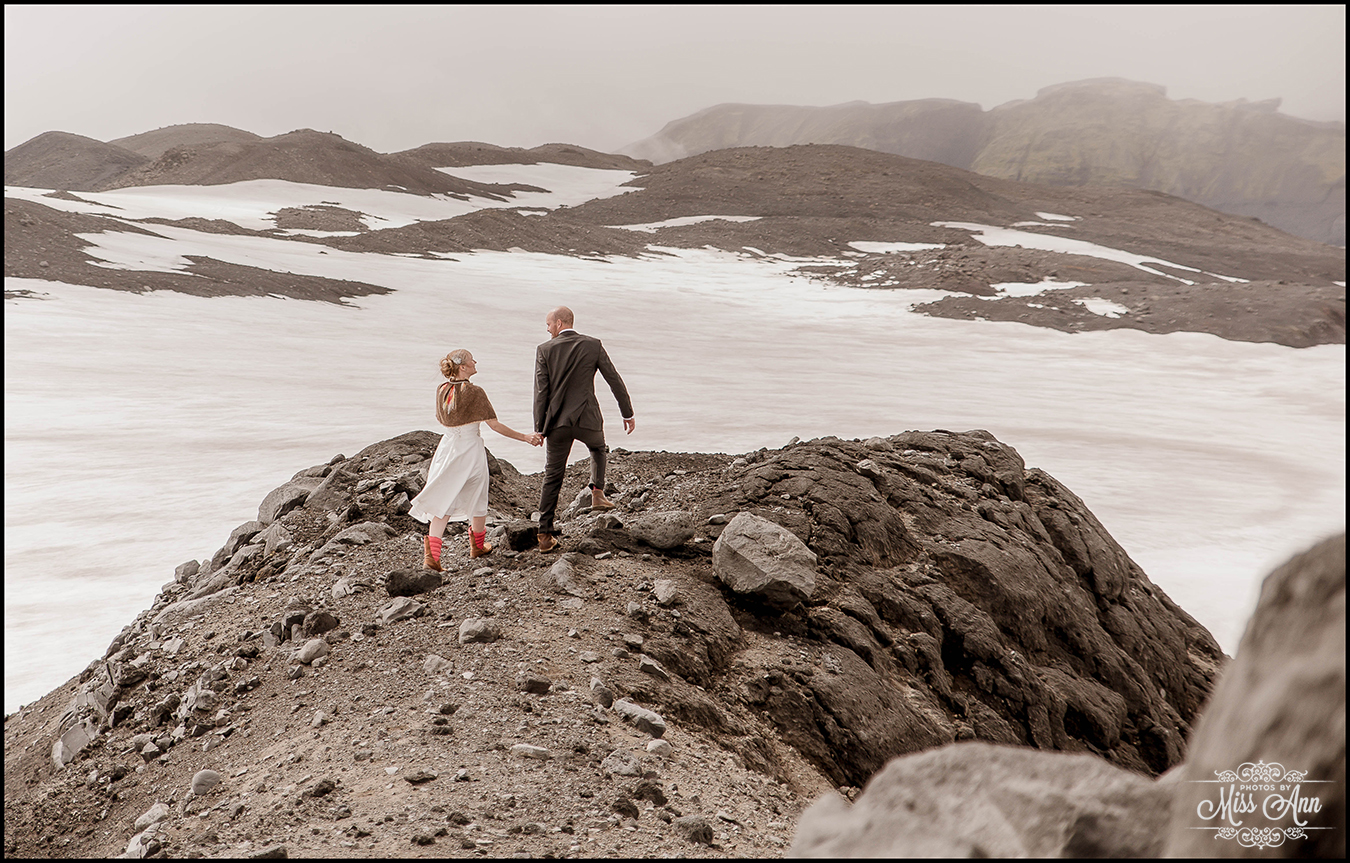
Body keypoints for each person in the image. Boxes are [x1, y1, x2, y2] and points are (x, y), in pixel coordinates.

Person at [409, 349, 541, 569]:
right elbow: (494, 425)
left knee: (444, 498)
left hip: (447, 448)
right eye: (472, 360)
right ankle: (477, 546)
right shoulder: (475, 392)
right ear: (463, 367)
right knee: (478, 495)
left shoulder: (441, 389)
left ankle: (432, 558)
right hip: (469, 449)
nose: (475, 362)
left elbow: (441, 419)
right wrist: (525, 437)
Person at [533, 306, 634, 552]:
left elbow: (541, 392)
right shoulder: (593, 345)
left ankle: (544, 534)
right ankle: (597, 492)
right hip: (588, 419)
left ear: (559, 323)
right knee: (598, 449)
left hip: (557, 423)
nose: (547, 329)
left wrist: (539, 428)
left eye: (548, 324)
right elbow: (614, 379)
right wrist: (627, 412)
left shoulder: (544, 350)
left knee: (552, 476)